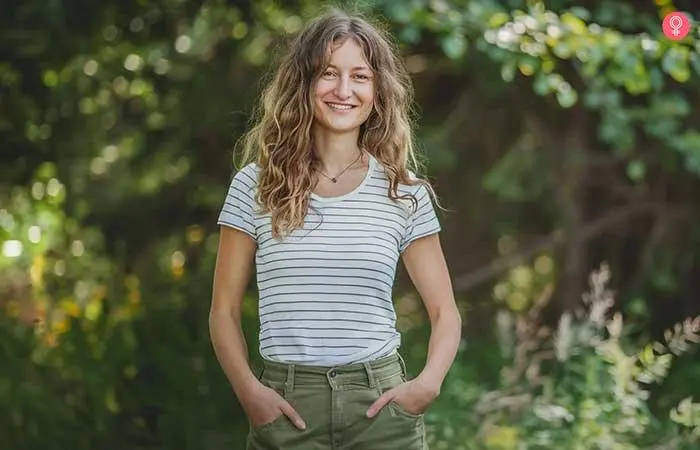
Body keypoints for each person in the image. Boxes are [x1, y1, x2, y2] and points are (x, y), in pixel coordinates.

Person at [209, 8, 461, 450]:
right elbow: (224, 312)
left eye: (360, 76)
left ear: (378, 92)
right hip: (287, 408)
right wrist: (250, 393)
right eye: (329, 73)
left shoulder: (403, 193)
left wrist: (427, 385)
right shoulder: (255, 184)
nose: (344, 90)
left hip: (379, 408)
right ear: (304, 84)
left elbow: (446, 314)